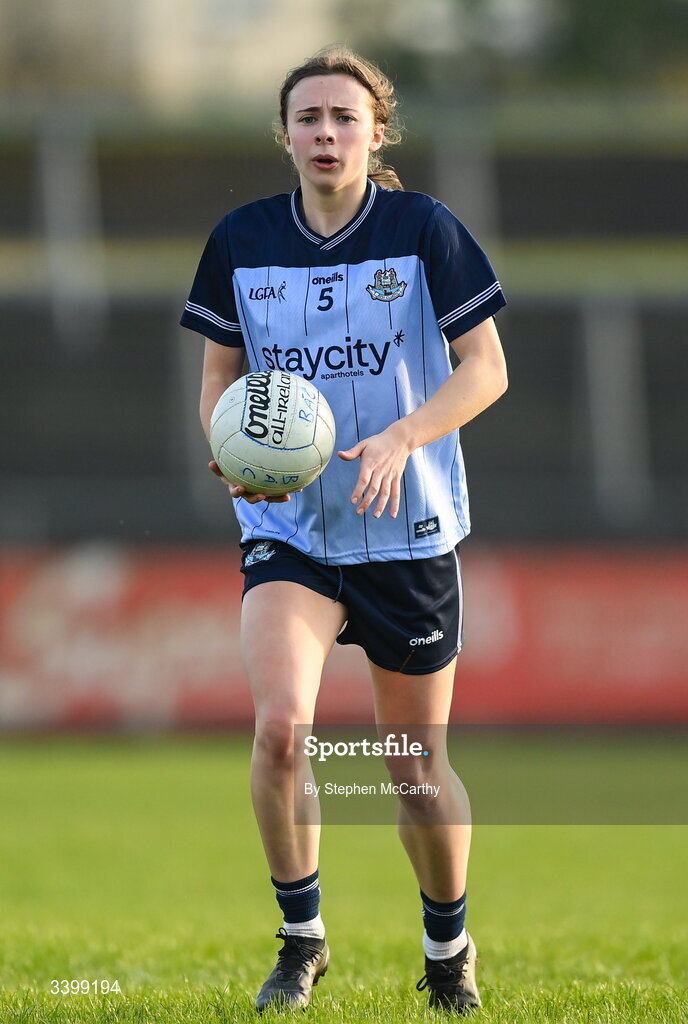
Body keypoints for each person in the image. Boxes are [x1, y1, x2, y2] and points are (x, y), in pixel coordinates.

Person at [180, 45, 507, 1015]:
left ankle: (447, 947)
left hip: (407, 529)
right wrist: (236, 450)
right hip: (291, 529)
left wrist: (404, 436)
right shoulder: (241, 239)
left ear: (376, 133)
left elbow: (483, 368)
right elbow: (217, 385)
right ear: (284, 134)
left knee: (411, 770)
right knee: (282, 730)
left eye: (344, 118)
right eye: (309, 117)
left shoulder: (424, 230)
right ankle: (301, 939)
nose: (326, 133)